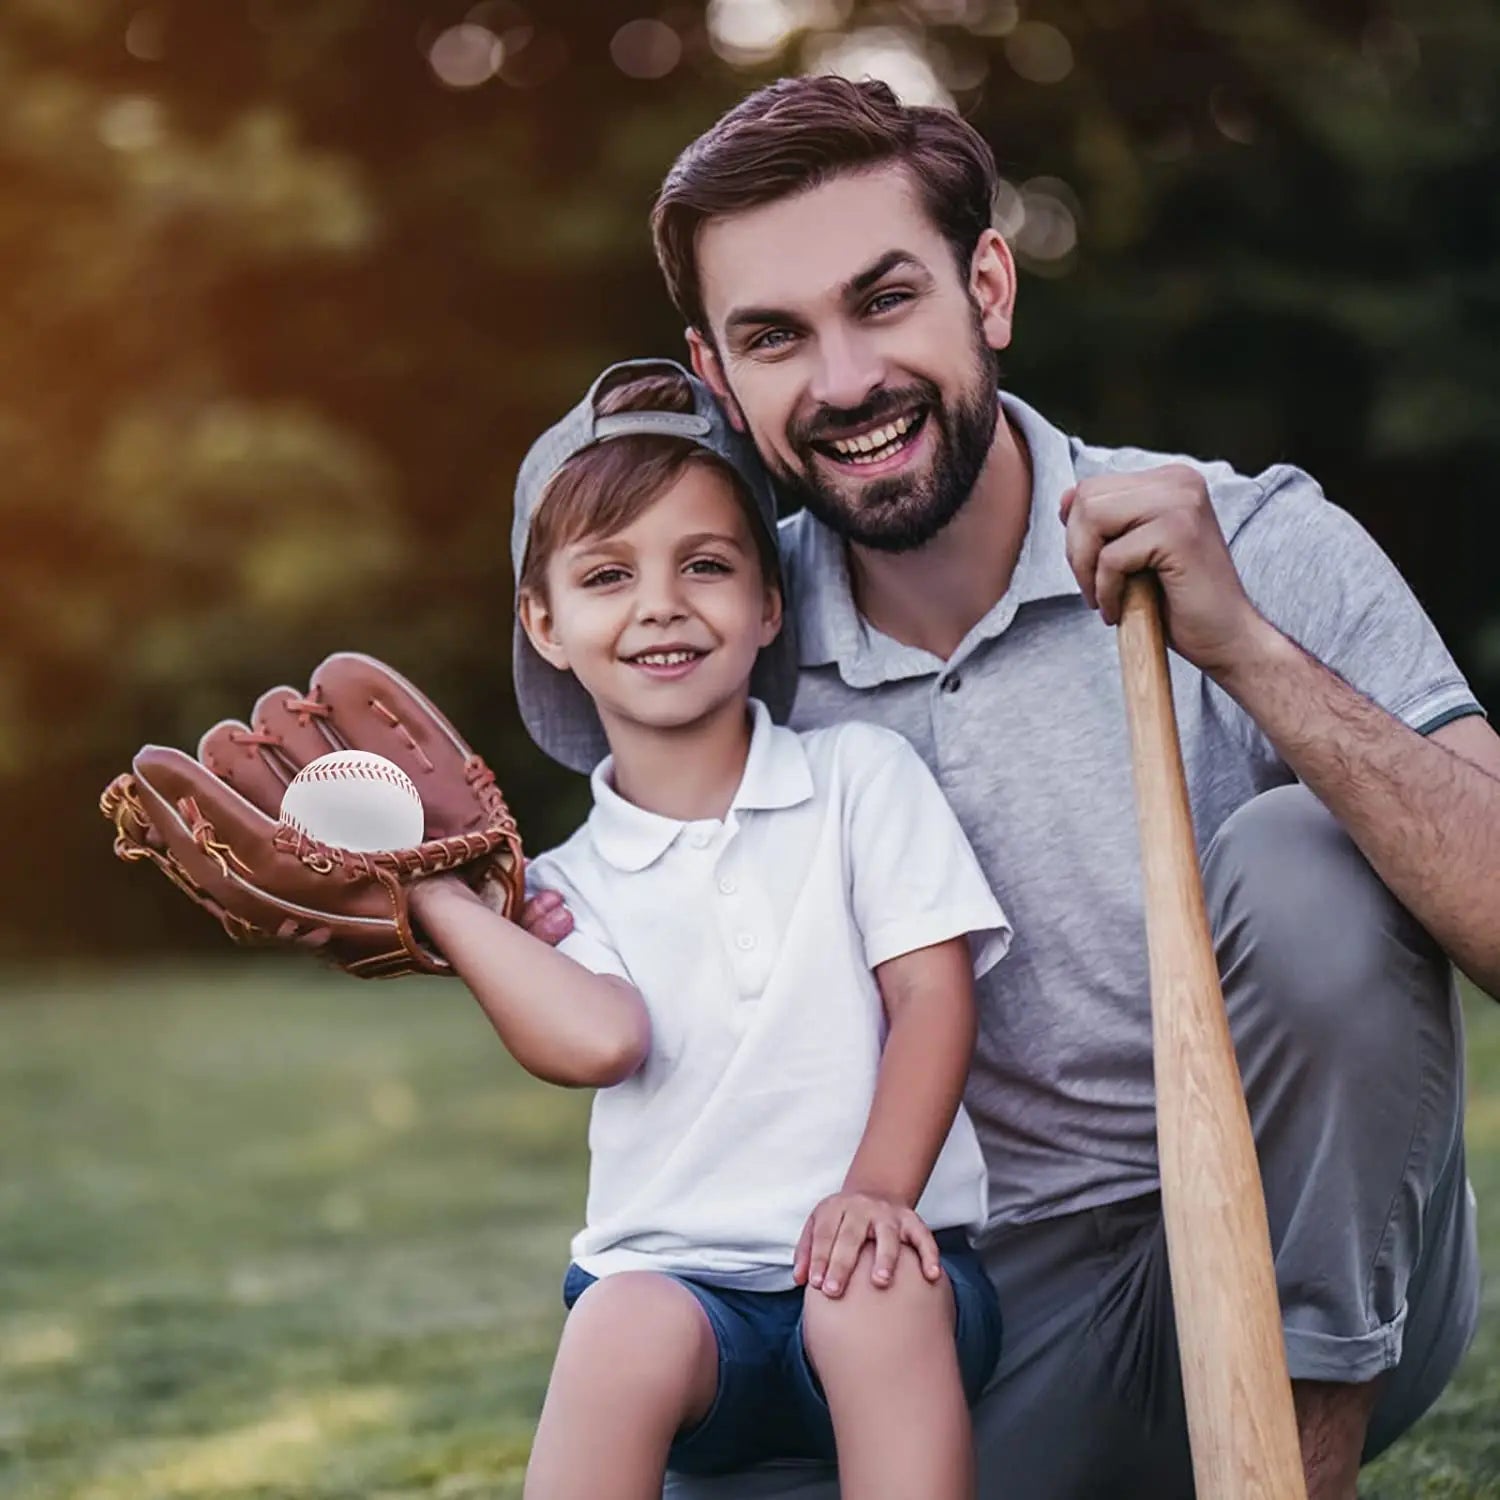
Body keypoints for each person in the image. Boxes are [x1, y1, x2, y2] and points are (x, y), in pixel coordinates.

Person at [523, 77, 1500, 1500]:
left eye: (885, 298)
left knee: (1309, 864)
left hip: (1293, 1265)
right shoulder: (727, 626)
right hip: (942, 1303)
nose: (847, 378)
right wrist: (411, 889)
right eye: (777, 337)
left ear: (989, 283)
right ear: (718, 375)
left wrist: (1246, 649)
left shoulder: (1252, 539)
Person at [411, 358, 1011, 1500]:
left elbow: (934, 996)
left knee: (871, 1295)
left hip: (892, 1270)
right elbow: (596, 1042)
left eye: (706, 564)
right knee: (621, 1325)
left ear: (769, 600)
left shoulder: (857, 780)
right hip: (689, 1310)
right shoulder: (564, 885)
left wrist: (878, 1190)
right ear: (544, 621)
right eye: (605, 575)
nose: (660, 604)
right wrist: (439, 901)